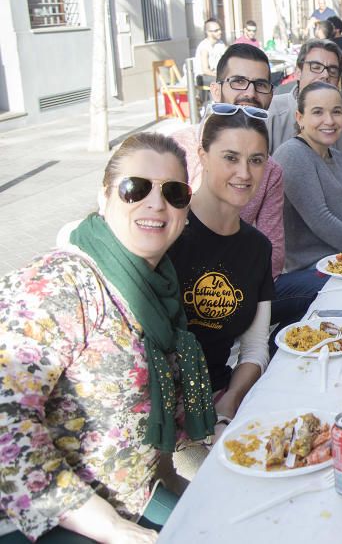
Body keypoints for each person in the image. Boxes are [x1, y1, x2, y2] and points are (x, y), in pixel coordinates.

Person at [0, 133, 215, 542]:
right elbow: (5, 418)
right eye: (135, 188)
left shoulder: (159, 288)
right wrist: (108, 525)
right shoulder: (60, 283)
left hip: (142, 503)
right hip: (64, 522)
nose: (156, 204)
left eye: (174, 192)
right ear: (105, 196)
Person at [168, 110, 273, 421]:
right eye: (230, 158)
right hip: (166, 410)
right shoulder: (167, 231)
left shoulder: (257, 247)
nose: (244, 173)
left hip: (220, 395)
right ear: (203, 156)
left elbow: (254, 348)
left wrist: (229, 402)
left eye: (256, 160)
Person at [170, 43, 285, 281]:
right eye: (238, 81)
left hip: (244, 287)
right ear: (215, 90)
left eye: (260, 85)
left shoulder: (270, 169)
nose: (250, 93)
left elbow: (273, 255)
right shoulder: (177, 149)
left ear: (271, 96)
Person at [273, 82, 342, 284]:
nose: (329, 120)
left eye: (336, 112)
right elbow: (321, 219)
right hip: (311, 270)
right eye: (317, 112)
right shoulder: (292, 154)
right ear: (300, 118)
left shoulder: (338, 156)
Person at [266, 39, 342, 210]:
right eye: (316, 67)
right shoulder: (271, 114)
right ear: (298, 72)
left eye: (332, 70)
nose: (325, 75)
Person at [195, 18, 226, 91]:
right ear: (208, 32)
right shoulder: (204, 47)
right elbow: (205, 70)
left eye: (220, 29)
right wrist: (220, 76)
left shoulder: (220, 43)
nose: (220, 32)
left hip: (215, 74)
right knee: (224, 83)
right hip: (203, 77)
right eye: (216, 31)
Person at [327, 16, 342, 94]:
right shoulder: (334, 39)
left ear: (337, 29)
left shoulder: (339, 41)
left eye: (330, 27)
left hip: (341, 76)